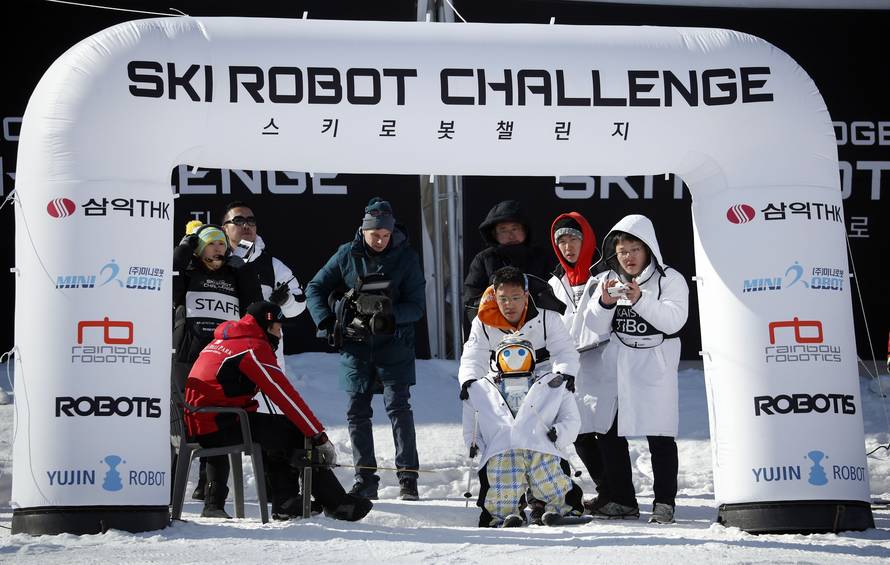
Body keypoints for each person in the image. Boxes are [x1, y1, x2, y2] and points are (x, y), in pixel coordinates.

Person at [184, 301, 373, 522]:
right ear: (266, 325)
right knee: (296, 431)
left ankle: (286, 502)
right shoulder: (252, 346)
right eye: (278, 327)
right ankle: (336, 503)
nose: (281, 335)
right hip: (219, 422)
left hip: (203, 421)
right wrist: (319, 436)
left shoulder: (224, 340)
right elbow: (285, 396)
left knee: (278, 430)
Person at [306, 197, 426, 501]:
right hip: (355, 345)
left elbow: (417, 306)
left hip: (395, 345)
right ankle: (365, 479)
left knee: (398, 407)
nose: (381, 240)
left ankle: (408, 479)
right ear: (363, 231)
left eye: (385, 235)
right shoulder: (346, 254)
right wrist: (328, 321)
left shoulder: (406, 257)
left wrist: (389, 314)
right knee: (356, 412)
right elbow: (314, 288)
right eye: (375, 235)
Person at [458, 266, 584, 526]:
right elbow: (474, 353)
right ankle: (508, 505)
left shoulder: (548, 317)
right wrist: (470, 381)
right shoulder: (483, 320)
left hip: (543, 381)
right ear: (494, 296)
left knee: (543, 447)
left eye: (515, 298)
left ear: (526, 296)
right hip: (504, 381)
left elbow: (564, 350)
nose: (509, 304)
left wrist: (565, 376)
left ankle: (547, 502)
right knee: (506, 447)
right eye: (503, 299)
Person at [584, 214, 689, 524]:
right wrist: (603, 303)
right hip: (618, 362)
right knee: (610, 431)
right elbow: (593, 325)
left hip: (653, 364)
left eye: (634, 249)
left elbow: (673, 321)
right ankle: (621, 500)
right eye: (622, 251)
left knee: (660, 436)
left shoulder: (670, 279)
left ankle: (664, 503)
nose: (628, 257)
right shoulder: (609, 279)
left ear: (648, 249)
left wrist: (640, 299)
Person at [172, 222, 263, 504]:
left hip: (221, 358)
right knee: (182, 425)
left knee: (218, 422)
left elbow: (254, 306)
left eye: (222, 243)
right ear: (199, 248)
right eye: (211, 243)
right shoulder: (189, 274)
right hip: (188, 356)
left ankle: (210, 492)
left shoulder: (234, 275)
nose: (218, 248)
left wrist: (244, 269)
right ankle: (170, 492)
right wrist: (184, 248)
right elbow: (169, 277)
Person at [547, 213, 612, 513]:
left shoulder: (604, 274)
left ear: (586, 239)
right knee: (580, 432)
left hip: (602, 361)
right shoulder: (554, 281)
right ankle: (606, 489)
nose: (568, 246)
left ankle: (619, 494)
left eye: (574, 238)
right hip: (571, 367)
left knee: (608, 430)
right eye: (561, 241)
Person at [221, 201, 307, 370]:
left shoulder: (272, 265)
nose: (246, 225)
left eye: (251, 221)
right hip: (224, 351)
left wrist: (286, 301)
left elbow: (300, 303)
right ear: (224, 228)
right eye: (238, 221)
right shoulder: (215, 261)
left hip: (265, 354)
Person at [463, 200, 553, 325]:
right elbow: (471, 302)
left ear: (525, 230)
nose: (511, 235)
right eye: (503, 230)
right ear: (494, 234)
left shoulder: (542, 257)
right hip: (494, 330)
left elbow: (555, 297)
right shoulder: (483, 260)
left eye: (515, 228)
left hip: (538, 328)